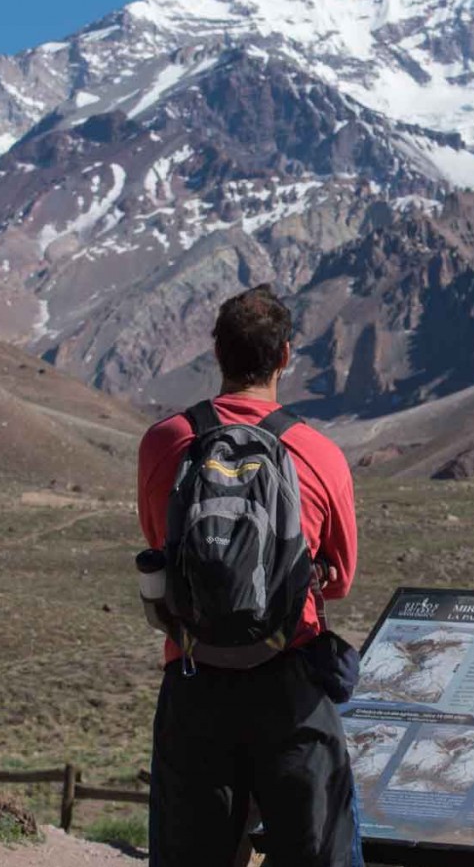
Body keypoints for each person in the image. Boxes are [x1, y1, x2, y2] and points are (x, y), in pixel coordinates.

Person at [137, 285, 360, 867]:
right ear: (285, 356)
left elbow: (158, 542)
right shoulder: (317, 452)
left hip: (193, 675)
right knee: (320, 851)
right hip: (291, 682)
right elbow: (341, 580)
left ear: (216, 353)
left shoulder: (164, 443)